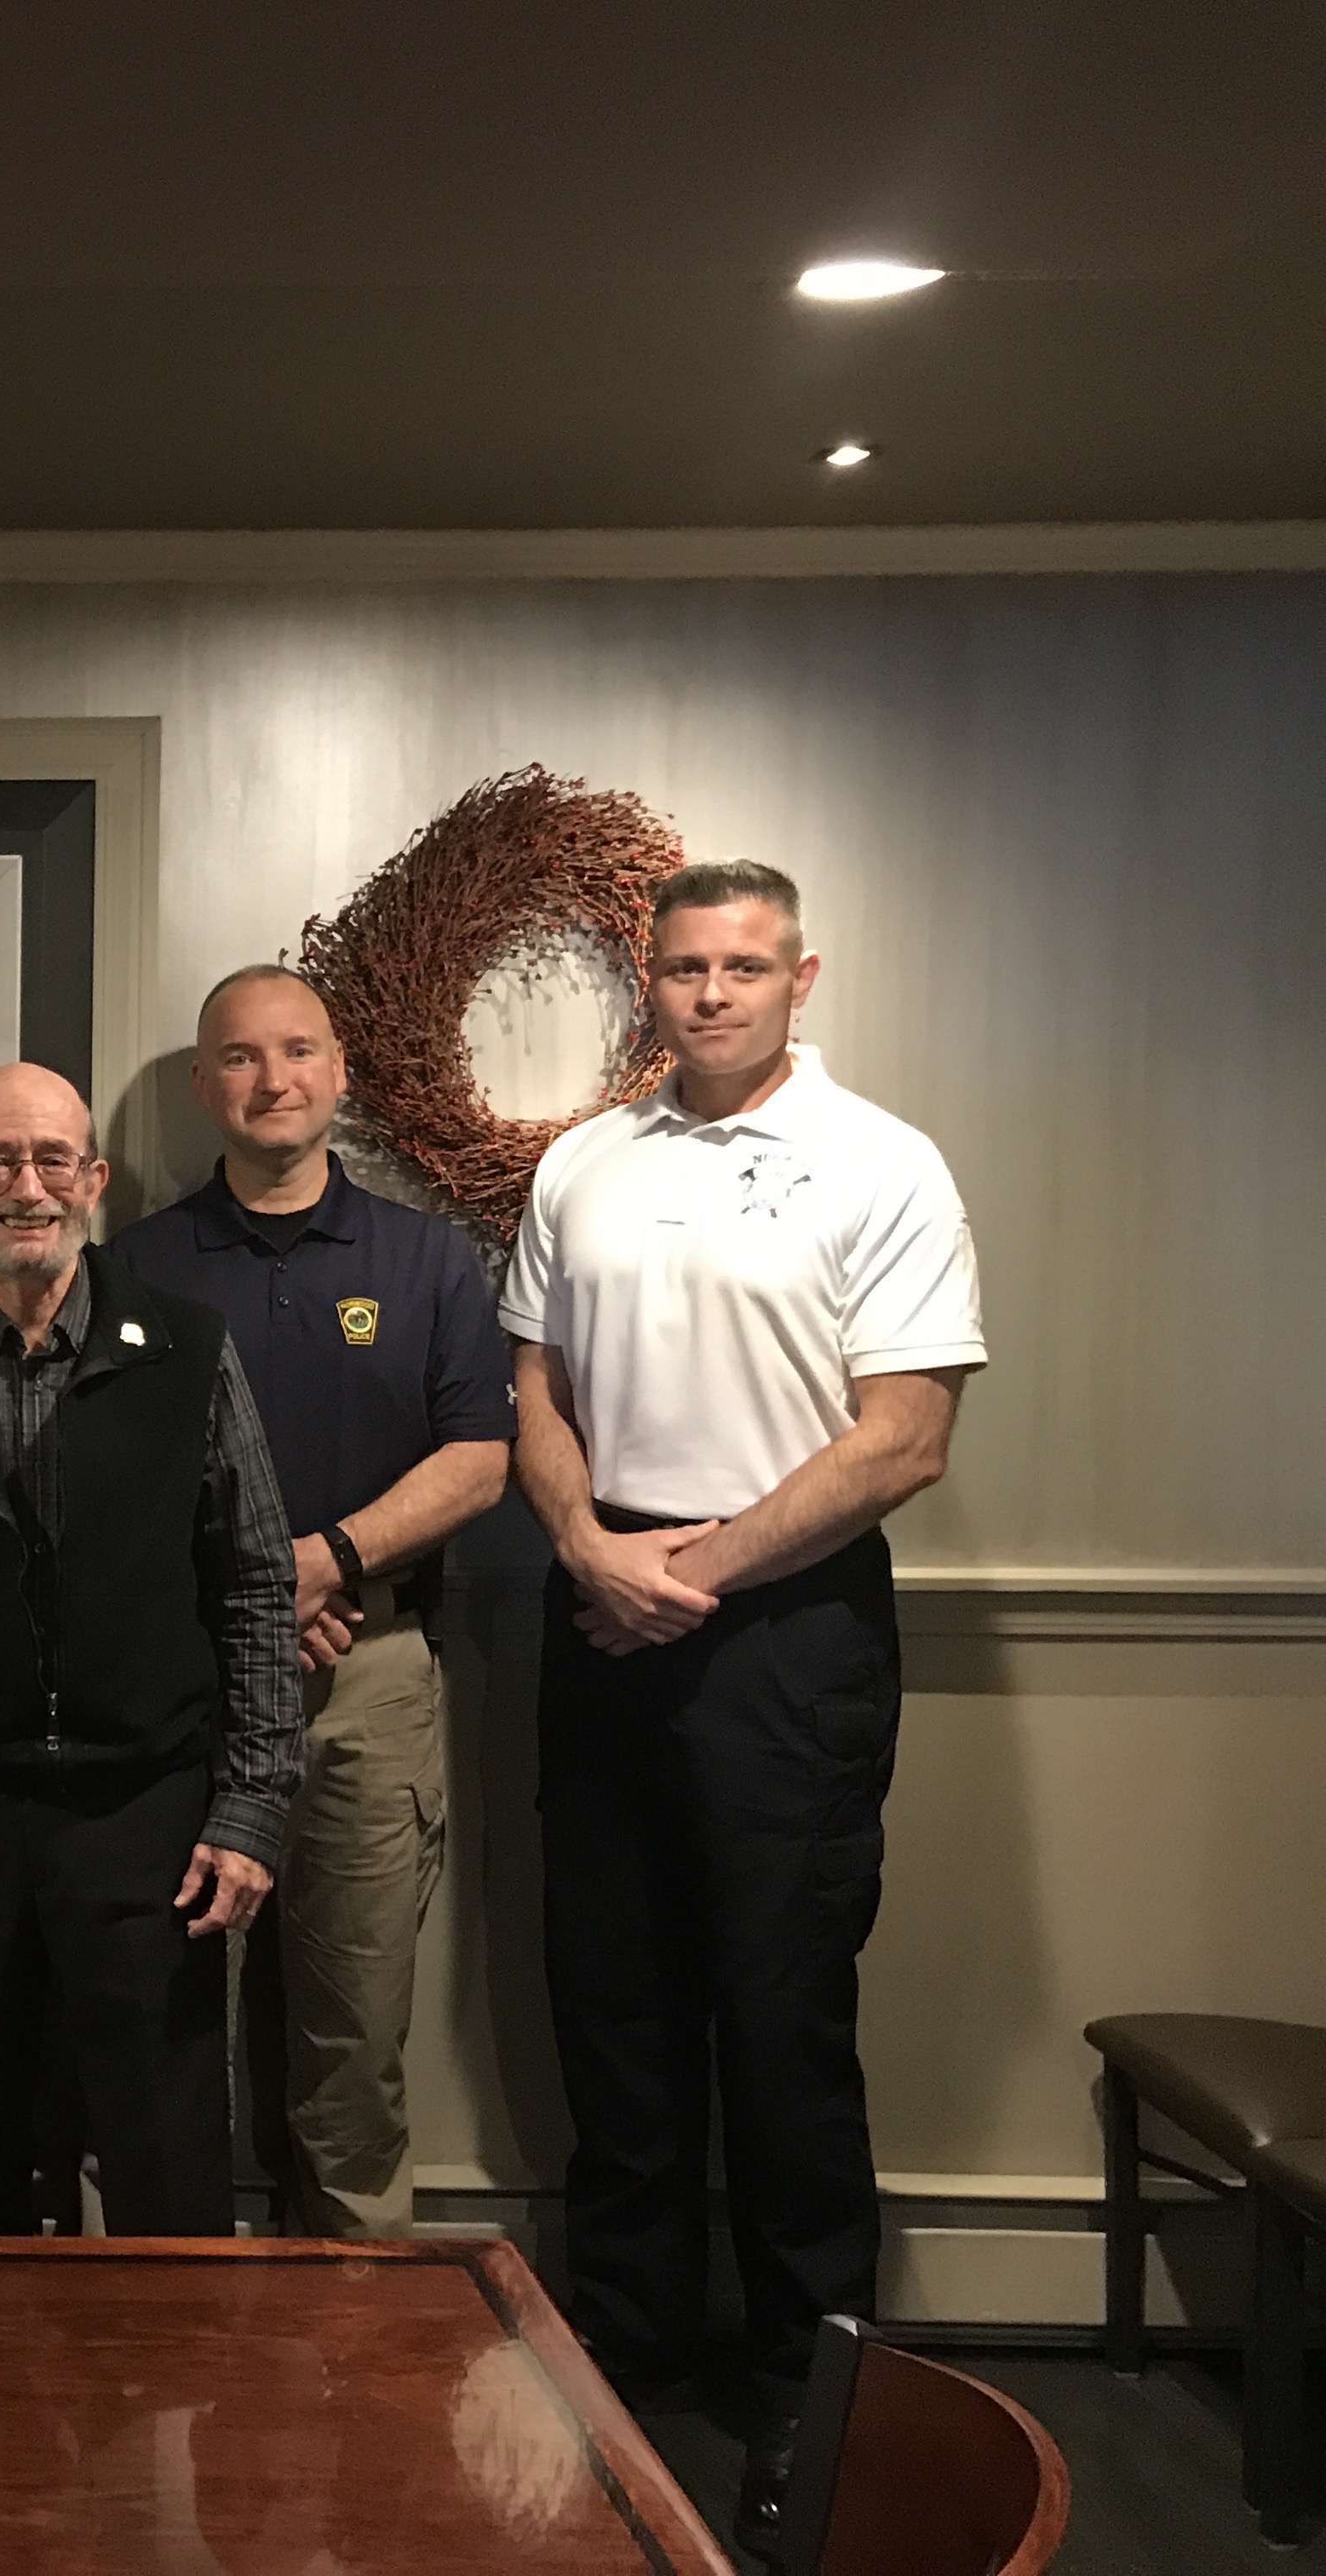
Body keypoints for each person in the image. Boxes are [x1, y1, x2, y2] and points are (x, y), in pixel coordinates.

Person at [500, 860, 981, 2561]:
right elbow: (535, 1388)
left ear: (801, 976)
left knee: (782, 2033)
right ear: (655, 980)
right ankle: (622, 2358)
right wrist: (580, 1540)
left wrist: (682, 1567)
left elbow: (905, 1436)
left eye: (744, 968)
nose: (711, 995)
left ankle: (809, 2396)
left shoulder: (883, 1163)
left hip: (785, 1640)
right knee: (614, 2016)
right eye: (686, 969)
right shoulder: (585, 1160)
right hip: (600, 1612)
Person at [0, 1061, 304, 2233]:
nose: (23, 1187)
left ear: (94, 1179)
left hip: (153, 1828)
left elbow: (255, 1584)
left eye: (48, 1161)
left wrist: (251, 1811)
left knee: (165, 2163)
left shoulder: (188, 1349)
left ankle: (162, 2409)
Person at [112, 965, 513, 2237]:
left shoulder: (427, 1258)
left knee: (350, 2040)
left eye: (296, 1052)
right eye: (239, 1056)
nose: (270, 1079)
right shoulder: (137, 1270)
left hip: (372, 1677)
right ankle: (186, 2334)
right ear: (201, 1085)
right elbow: (108, 1480)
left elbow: (480, 1458)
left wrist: (324, 1560)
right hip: (181, 1686)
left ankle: (348, 2349)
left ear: (339, 1073)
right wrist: (245, 1599)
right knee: (171, 2027)